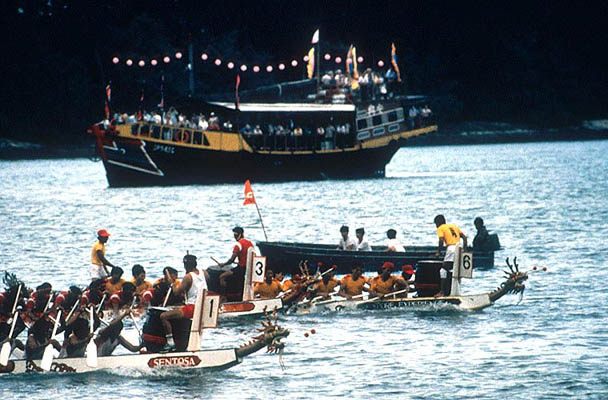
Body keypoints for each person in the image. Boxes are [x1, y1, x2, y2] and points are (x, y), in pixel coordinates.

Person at [160, 253, 208, 350]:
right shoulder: (204, 273)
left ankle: (170, 342)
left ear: (186, 265)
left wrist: (171, 282)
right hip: (204, 306)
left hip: (192, 308)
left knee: (163, 316)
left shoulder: (188, 277)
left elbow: (176, 292)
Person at [433, 215, 468, 297]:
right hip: (459, 248)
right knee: (455, 270)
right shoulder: (453, 226)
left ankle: (442, 292)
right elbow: (465, 238)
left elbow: (441, 240)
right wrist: (465, 250)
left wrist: (438, 252)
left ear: (438, 222)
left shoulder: (440, 228)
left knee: (443, 269)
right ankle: (456, 291)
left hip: (451, 249)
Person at [218, 227, 254, 302]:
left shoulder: (238, 245)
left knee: (222, 277)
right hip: (250, 269)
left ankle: (224, 297)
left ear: (241, 234)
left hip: (241, 269)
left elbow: (231, 260)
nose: (235, 237)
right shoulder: (250, 243)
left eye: (235, 235)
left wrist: (223, 264)